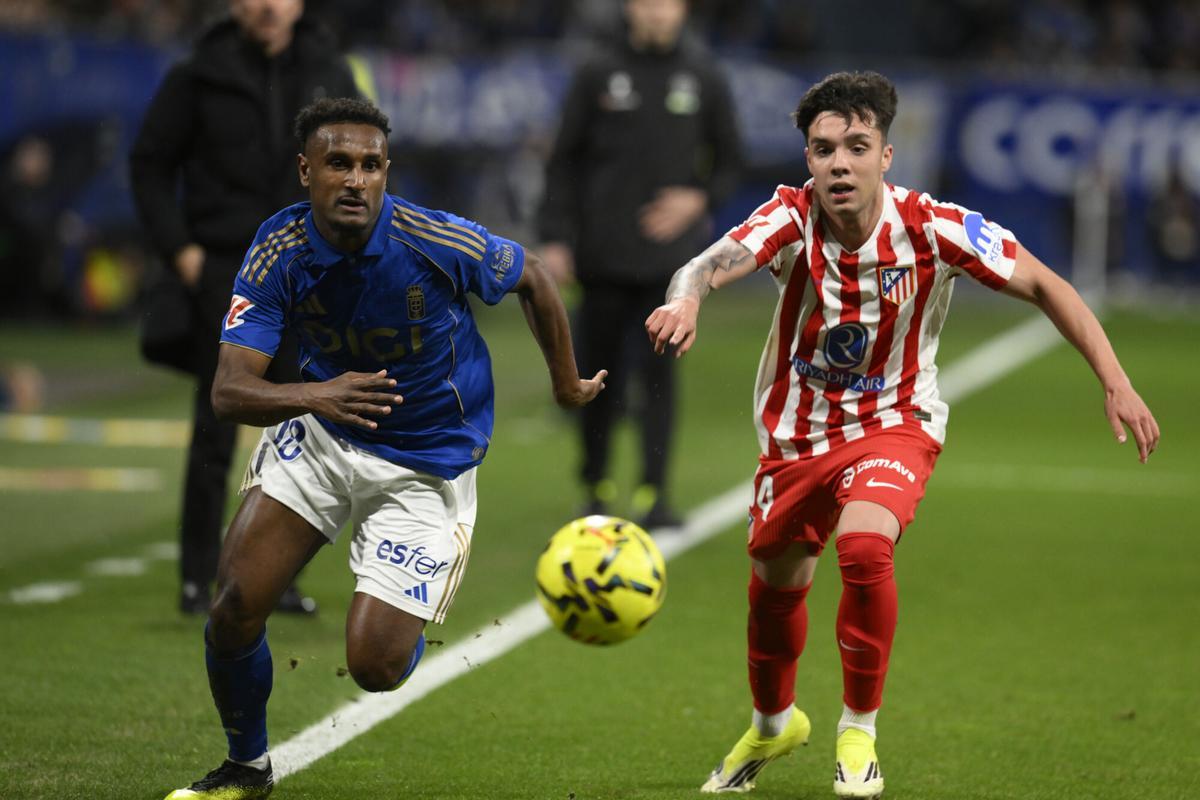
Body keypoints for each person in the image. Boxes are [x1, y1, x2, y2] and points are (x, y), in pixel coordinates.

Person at [645, 71, 1159, 799]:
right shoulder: (789, 219)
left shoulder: (932, 227)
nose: (839, 163)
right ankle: (772, 723)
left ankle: (859, 731)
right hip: (795, 439)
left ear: (887, 156)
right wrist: (687, 300)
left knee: (862, 545)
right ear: (809, 161)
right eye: (824, 149)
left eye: (858, 146)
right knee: (773, 589)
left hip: (894, 424)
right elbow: (704, 264)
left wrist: (1115, 379)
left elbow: (1047, 283)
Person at [163, 97, 605, 800]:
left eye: (371, 165)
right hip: (324, 433)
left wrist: (566, 382)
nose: (356, 180)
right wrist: (317, 397)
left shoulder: (434, 239)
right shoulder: (277, 249)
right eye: (338, 163)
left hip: (427, 464)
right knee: (235, 606)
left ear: (386, 172)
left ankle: (409, 616)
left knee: (374, 666)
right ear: (306, 171)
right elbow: (229, 390)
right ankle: (246, 767)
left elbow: (533, 278)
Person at [130, 0, 359, 616]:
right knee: (218, 421)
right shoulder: (199, 73)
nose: (267, 6)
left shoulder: (329, 68)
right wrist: (182, 253)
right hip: (227, 270)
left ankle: (274, 578)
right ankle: (197, 577)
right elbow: (148, 165)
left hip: (309, 269)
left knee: (300, 428)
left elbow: (367, 159)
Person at [538, 0, 742, 528]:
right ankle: (595, 488)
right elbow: (563, 161)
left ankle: (655, 494)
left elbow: (731, 160)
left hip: (669, 269)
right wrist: (556, 239)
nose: (656, 13)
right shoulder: (597, 72)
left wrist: (697, 198)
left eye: (666, 3)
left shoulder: (704, 75)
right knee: (595, 379)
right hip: (601, 258)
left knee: (658, 384)